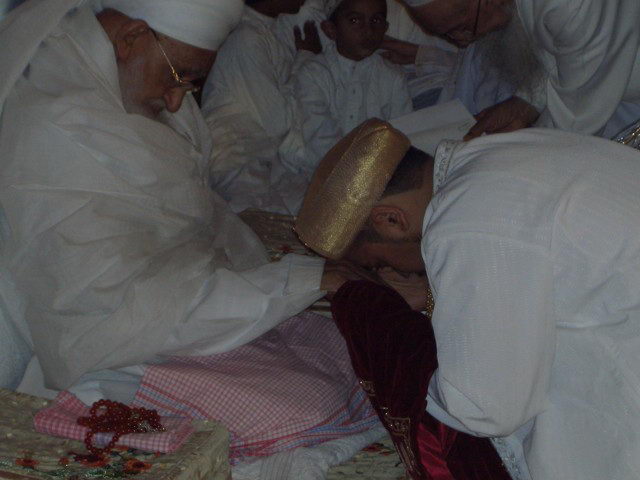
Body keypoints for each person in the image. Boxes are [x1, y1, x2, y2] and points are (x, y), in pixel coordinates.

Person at [0, 0, 366, 398]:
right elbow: (118, 313)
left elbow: (185, 223)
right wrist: (296, 281)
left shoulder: (117, 73)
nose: (177, 103)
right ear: (131, 38)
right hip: (84, 358)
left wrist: (280, 280)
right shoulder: (58, 123)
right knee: (309, 393)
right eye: (179, 77)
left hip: (163, 320)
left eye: (190, 84)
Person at [296, 118, 640, 479]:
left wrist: (409, 357)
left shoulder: (464, 220)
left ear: (392, 220)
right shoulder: (500, 157)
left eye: (378, 262)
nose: (389, 273)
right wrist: (436, 294)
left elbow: (487, 409)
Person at [402, 0, 640, 139]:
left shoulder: (571, 4)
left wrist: (514, 152)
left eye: (461, 28)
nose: (463, 42)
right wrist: (525, 103)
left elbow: (577, 119)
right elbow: (564, 53)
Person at [199, 0, 327, 214]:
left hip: (269, 158)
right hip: (235, 158)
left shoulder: (271, 32)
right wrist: (306, 59)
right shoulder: (245, 38)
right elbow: (277, 123)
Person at [280, 0, 412, 180]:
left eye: (376, 21)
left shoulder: (393, 78)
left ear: (385, 28)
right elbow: (319, 135)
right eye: (355, 20)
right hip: (313, 174)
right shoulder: (313, 74)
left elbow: (402, 137)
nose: (368, 30)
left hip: (376, 176)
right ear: (330, 29)